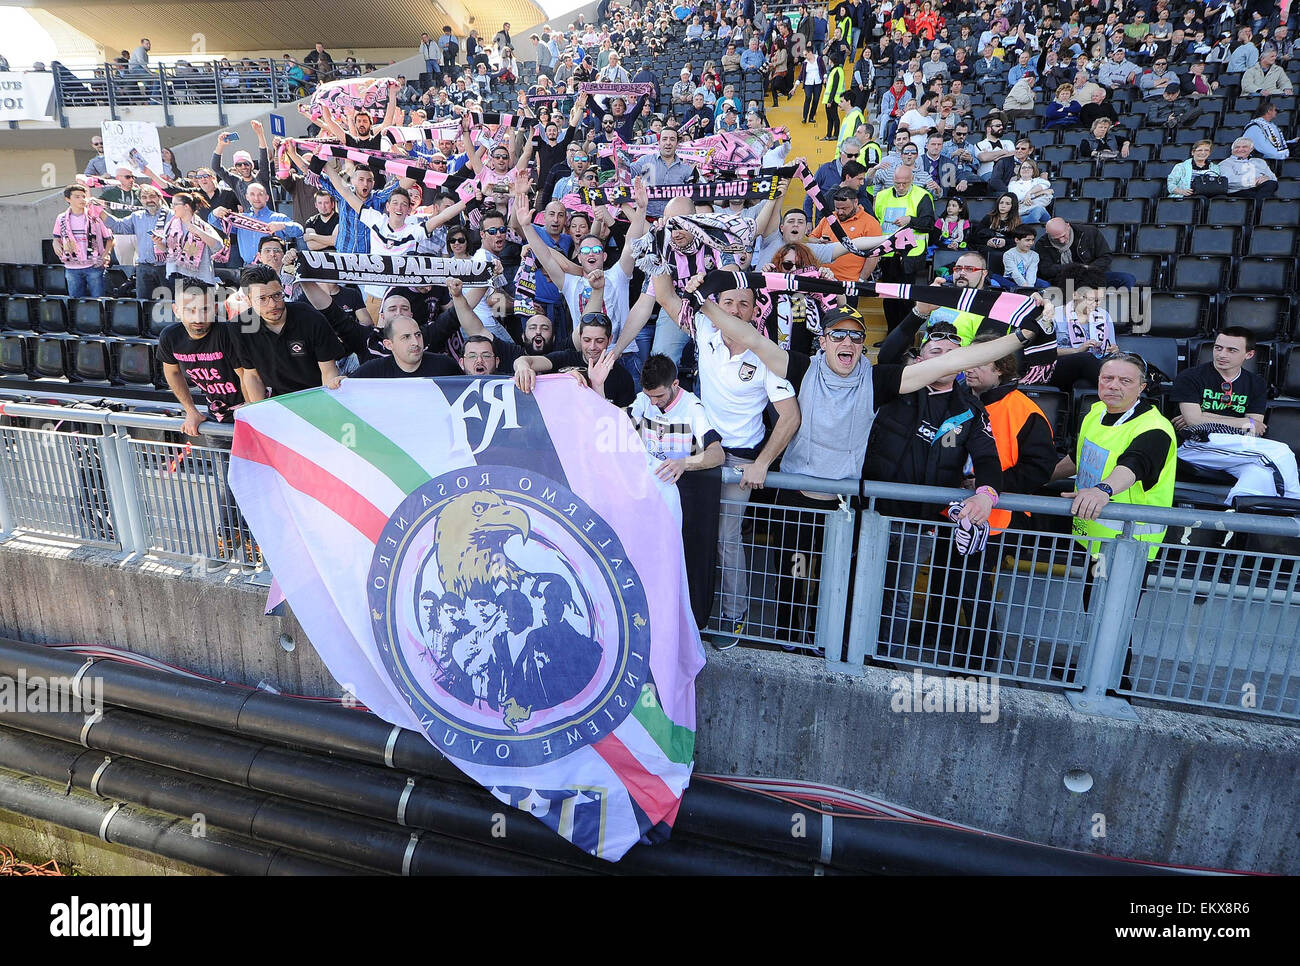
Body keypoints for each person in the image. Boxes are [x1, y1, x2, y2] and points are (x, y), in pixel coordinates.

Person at [647, 273, 800, 648]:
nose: (734, 309)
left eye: (743, 304)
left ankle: (735, 615)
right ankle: (682, 611)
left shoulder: (766, 353)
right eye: (727, 302)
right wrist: (669, 241)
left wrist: (763, 462)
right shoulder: (705, 328)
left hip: (738, 459)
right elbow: (664, 293)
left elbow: (790, 415)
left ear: (754, 310)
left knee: (726, 540)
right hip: (697, 450)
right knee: (686, 532)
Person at [1057, 353, 1177, 566]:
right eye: (1107, 378)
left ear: (1142, 387)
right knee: (1091, 597)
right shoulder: (1095, 412)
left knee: (1111, 600)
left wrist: (1102, 490)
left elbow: (1132, 465)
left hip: (1129, 543)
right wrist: (1031, 479)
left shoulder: (1155, 429)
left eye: (1125, 381)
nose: (1113, 385)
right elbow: (1077, 458)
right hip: (1091, 534)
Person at [1171, 327, 1300, 503]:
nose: (1222, 354)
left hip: (1239, 446)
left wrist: (1206, 415)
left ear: (1249, 354)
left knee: (1260, 474)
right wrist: (1243, 421)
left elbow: (1254, 427)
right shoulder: (1191, 377)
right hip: (1197, 444)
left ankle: (1230, 520)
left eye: (1231, 350)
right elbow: (1194, 423)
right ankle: (1295, 509)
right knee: (1281, 452)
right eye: (1218, 348)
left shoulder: (1256, 383)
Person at [229, 264, 345, 400]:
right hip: (277, 400)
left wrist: (329, 405)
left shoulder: (310, 318)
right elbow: (252, 375)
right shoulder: (239, 327)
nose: (273, 304)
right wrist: (258, 413)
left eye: (277, 295)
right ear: (248, 300)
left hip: (315, 394)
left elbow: (328, 371)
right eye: (262, 299)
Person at [873, 164, 934, 330]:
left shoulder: (923, 196)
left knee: (905, 298)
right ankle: (890, 335)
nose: (900, 187)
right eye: (897, 183)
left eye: (905, 183)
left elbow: (929, 224)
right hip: (888, 254)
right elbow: (876, 221)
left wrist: (910, 220)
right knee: (889, 297)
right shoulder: (882, 196)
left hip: (910, 254)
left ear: (912, 180)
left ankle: (904, 337)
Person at [100, 182, 168, 299]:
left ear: (160, 197)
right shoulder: (136, 216)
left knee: (169, 303)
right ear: (140, 200)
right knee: (143, 304)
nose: (148, 200)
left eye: (152, 196)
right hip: (144, 267)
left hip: (166, 267)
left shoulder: (171, 215)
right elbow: (119, 226)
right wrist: (99, 212)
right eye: (144, 197)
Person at [1035, 218, 1135, 291]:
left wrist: (1087, 268)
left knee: (1127, 279)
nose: (1061, 241)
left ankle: (1120, 311)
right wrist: (1075, 268)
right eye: (1055, 239)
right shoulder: (1042, 243)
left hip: (1093, 274)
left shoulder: (1089, 232)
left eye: (1063, 236)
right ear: (1048, 233)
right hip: (1065, 279)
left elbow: (1105, 256)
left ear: (1068, 226)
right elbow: (1046, 270)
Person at [351, 312, 460, 379]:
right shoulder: (372, 371)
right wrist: (341, 383)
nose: (416, 342)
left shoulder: (446, 365)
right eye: (406, 337)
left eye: (418, 335)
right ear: (389, 345)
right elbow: (346, 393)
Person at [52, 184, 115, 297]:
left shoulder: (95, 216)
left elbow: (110, 238)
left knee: (99, 299)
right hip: (71, 266)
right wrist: (55, 243)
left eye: (83, 196)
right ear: (68, 199)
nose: (82, 199)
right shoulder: (61, 218)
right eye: (77, 196)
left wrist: (106, 254)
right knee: (76, 301)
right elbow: (57, 237)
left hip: (94, 265)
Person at [1219, 138, 1279, 202]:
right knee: (1267, 196)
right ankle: (1262, 206)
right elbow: (1229, 181)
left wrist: (1267, 178)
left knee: (1271, 184)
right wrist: (1254, 181)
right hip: (1240, 191)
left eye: (1244, 147)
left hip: (1262, 188)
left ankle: (1260, 206)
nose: (1240, 149)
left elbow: (1273, 178)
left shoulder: (1260, 162)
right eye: (1237, 147)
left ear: (1251, 149)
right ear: (1232, 150)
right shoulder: (1226, 163)